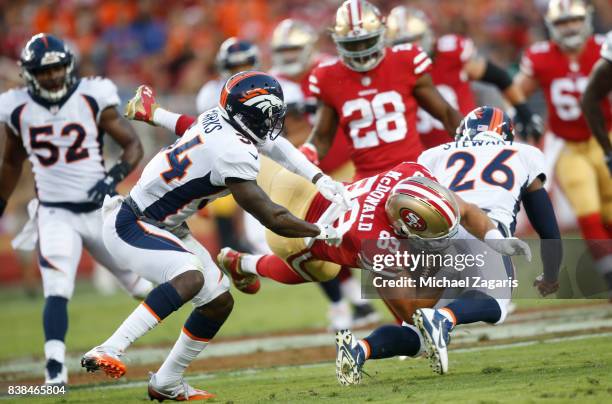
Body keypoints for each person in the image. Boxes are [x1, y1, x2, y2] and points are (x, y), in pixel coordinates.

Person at [80, 72, 350, 401]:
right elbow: (272, 216)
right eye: (269, 115)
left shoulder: (222, 119)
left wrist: (319, 178)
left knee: (218, 301)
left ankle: (167, 382)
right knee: (190, 277)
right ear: (249, 114)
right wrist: (321, 231)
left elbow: (275, 146)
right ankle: (109, 348)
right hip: (132, 223)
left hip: (163, 223)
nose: (273, 123)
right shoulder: (232, 152)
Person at [335, 107, 560, 385]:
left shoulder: (435, 154)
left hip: (432, 235)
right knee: (497, 305)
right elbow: (548, 228)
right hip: (482, 229)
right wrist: (550, 274)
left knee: (416, 331)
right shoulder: (524, 154)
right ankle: (444, 318)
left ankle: (359, 349)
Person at [0, 33, 152, 386]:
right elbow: (11, 162)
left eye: (57, 69)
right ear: (29, 73)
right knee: (57, 287)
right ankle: (55, 369)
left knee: (141, 284)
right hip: (55, 214)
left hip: (99, 211)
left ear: (68, 67)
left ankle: (174, 339)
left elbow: (131, 146)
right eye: (43, 70)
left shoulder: (92, 95)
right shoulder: (16, 107)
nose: (52, 76)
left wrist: (112, 177)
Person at [266, 18, 379, 329]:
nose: (288, 55)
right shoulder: (272, 82)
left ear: (309, 48)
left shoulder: (331, 71)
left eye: (293, 48)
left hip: (347, 163)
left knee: (361, 231)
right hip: (305, 171)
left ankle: (372, 296)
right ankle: (351, 300)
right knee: (314, 235)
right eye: (282, 49)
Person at [514, 0, 612, 277]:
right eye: (561, 22)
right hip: (567, 142)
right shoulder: (540, 56)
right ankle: (609, 275)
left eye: (574, 20)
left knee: (609, 207)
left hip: (606, 135)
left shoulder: (604, 48)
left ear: (587, 20)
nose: (569, 27)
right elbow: (516, 93)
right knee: (586, 208)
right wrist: (518, 114)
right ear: (551, 26)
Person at [385, 6, 543, 148]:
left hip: (469, 144)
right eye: (401, 44)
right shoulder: (388, 70)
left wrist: (523, 111)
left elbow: (499, 77)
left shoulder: (450, 53)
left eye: (414, 40)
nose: (410, 49)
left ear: (428, 36)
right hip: (423, 155)